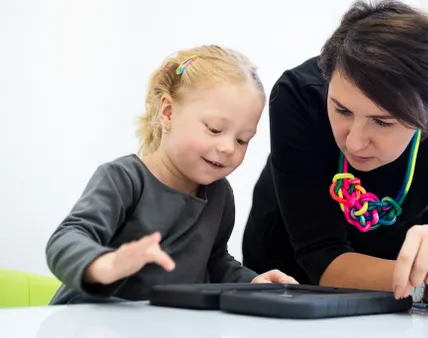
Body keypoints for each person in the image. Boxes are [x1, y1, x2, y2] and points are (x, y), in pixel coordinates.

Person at [242, 0, 428, 315]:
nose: (354, 141)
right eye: (341, 110)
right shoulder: (298, 94)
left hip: (397, 268)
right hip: (289, 273)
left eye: (382, 121)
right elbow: (321, 256)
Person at [45, 45, 297, 305]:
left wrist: (252, 283)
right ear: (168, 112)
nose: (228, 148)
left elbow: (215, 263)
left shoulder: (219, 194)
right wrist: (105, 264)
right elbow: (66, 238)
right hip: (84, 323)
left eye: (243, 140)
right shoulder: (124, 178)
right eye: (214, 129)